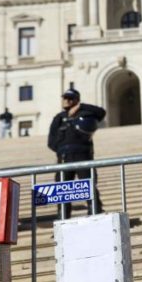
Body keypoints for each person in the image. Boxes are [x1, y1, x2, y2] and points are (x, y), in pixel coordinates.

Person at [47, 89, 105, 219]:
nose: (66, 100)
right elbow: (50, 141)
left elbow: (101, 112)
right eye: (65, 98)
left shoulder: (86, 113)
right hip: (64, 158)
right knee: (62, 191)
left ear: (76, 100)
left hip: (82, 155)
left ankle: (95, 214)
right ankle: (62, 220)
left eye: (70, 98)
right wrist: (62, 149)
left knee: (88, 186)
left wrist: (81, 107)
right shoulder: (59, 118)